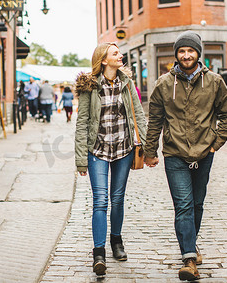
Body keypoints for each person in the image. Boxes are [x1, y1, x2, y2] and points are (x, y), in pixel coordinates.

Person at [144, 31, 227, 281]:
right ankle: (189, 259)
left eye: (190, 51)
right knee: (183, 205)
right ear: (176, 54)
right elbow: (155, 120)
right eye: (181, 51)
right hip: (174, 153)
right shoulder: (164, 83)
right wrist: (149, 152)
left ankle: (190, 244)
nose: (186, 55)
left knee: (196, 204)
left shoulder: (215, 82)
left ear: (198, 53)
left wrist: (216, 143)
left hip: (205, 152)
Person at [75, 42, 147, 276]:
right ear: (103, 60)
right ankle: (99, 253)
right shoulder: (90, 86)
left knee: (118, 199)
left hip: (123, 150)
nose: (121, 55)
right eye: (115, 53)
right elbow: (82, 122)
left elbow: (139, 115)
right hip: (97, 151)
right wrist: (80, 159)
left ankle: (116, 241)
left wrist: (147, 148)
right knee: (100, 201)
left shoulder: (127, 83)